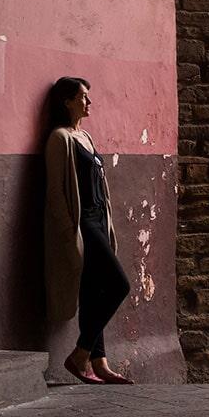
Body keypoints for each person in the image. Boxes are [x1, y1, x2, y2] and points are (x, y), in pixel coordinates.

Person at [44, 76, 133, 384]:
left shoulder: (86, 136)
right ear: (67, 101)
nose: (89, 102)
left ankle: (99, 362)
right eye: (83, 96)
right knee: (119, 285)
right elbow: (55, 192)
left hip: (99, 220)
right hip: (83, 225)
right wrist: (69, 231)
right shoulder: (59, 138)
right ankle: (80, 354)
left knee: (94, 291)